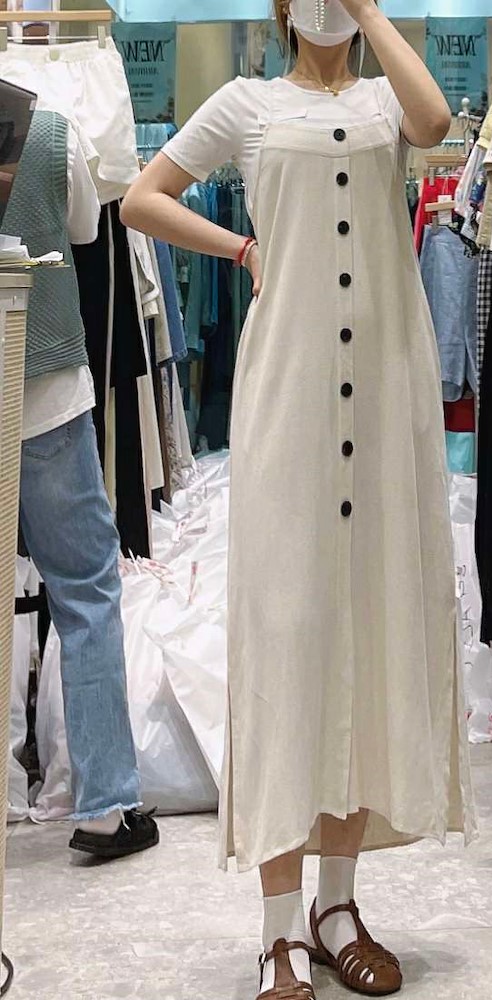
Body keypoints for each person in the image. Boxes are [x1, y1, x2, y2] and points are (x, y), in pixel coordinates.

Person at [121, 1, 475, 996]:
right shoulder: (246, 105)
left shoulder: (384, 103)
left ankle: (338, 906)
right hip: (290, 402)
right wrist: (240, 251)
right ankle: (279, 929)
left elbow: (434, 120)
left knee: (363, 640)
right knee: (288, 643)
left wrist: (368, 13)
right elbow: (141, 199)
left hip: (387, 408)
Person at [9, 106, 159, 859]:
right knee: (86, 593)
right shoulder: (50, 131)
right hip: (45, 391)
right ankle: (104, 805)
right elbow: (83, 229)